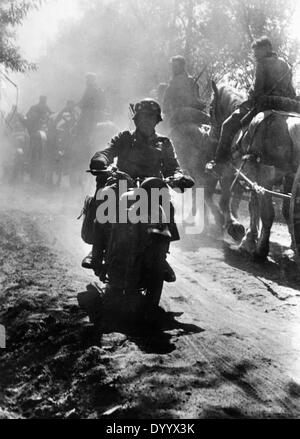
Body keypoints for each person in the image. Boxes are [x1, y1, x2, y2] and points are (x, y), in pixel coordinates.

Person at [81, 98, 194, 282]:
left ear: (157, 120)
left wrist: (179, 177)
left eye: (151, 117)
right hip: (123, 183)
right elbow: (107, 151)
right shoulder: (124, 137)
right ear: (136, 119)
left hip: (152, 187)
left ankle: (160, 257)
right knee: (105, 199)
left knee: (168, 207)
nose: (147, 120)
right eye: (143, 117)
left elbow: (173, 167)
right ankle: (96, 252)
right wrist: (101, 160)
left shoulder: (164, 143)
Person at [211, 36, 296, 168]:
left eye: (257, 51)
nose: (255, 55)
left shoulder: (262, 64)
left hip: (265, 104)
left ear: (266, 48)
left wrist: (250, 93)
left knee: (227, 125)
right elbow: (291, 91)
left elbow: (257, 92)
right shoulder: (285, 64)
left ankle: (219, 163)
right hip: (286, 106)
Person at [163, 55, 206, 122]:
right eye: (173, 67)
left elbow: (196, 99)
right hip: (177, 114)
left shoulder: (191, 81)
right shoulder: (173, 83)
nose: (173, 69)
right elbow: (166, 105)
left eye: (175, 66)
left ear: (182, 67)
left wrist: (199, 103)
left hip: (190, 113)